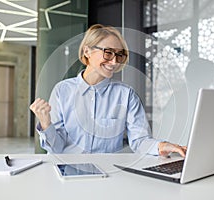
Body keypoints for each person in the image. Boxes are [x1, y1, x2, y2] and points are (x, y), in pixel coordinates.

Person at [30, 24, 186, 157]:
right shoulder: (62, 91)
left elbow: (139, 141)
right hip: (68, 172)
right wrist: (45, 123)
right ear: (87, 51)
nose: (114, 62)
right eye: (108, 52)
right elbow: (56, 148)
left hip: (108, 174)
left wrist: (161, 146)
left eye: (119, 55)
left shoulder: (126, 95)